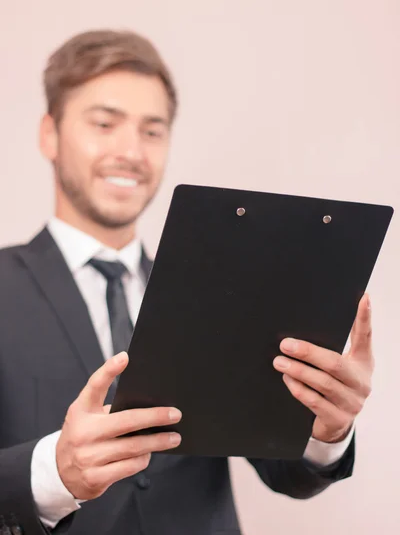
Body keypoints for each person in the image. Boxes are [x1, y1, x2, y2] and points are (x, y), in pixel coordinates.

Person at [0, 30, 373, 535]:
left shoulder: (223, 295)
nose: (130, 151)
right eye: (105, 123)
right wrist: (53, 472)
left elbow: (287, 473)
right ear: (50, 133)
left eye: (152, 131)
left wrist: (327, 430)